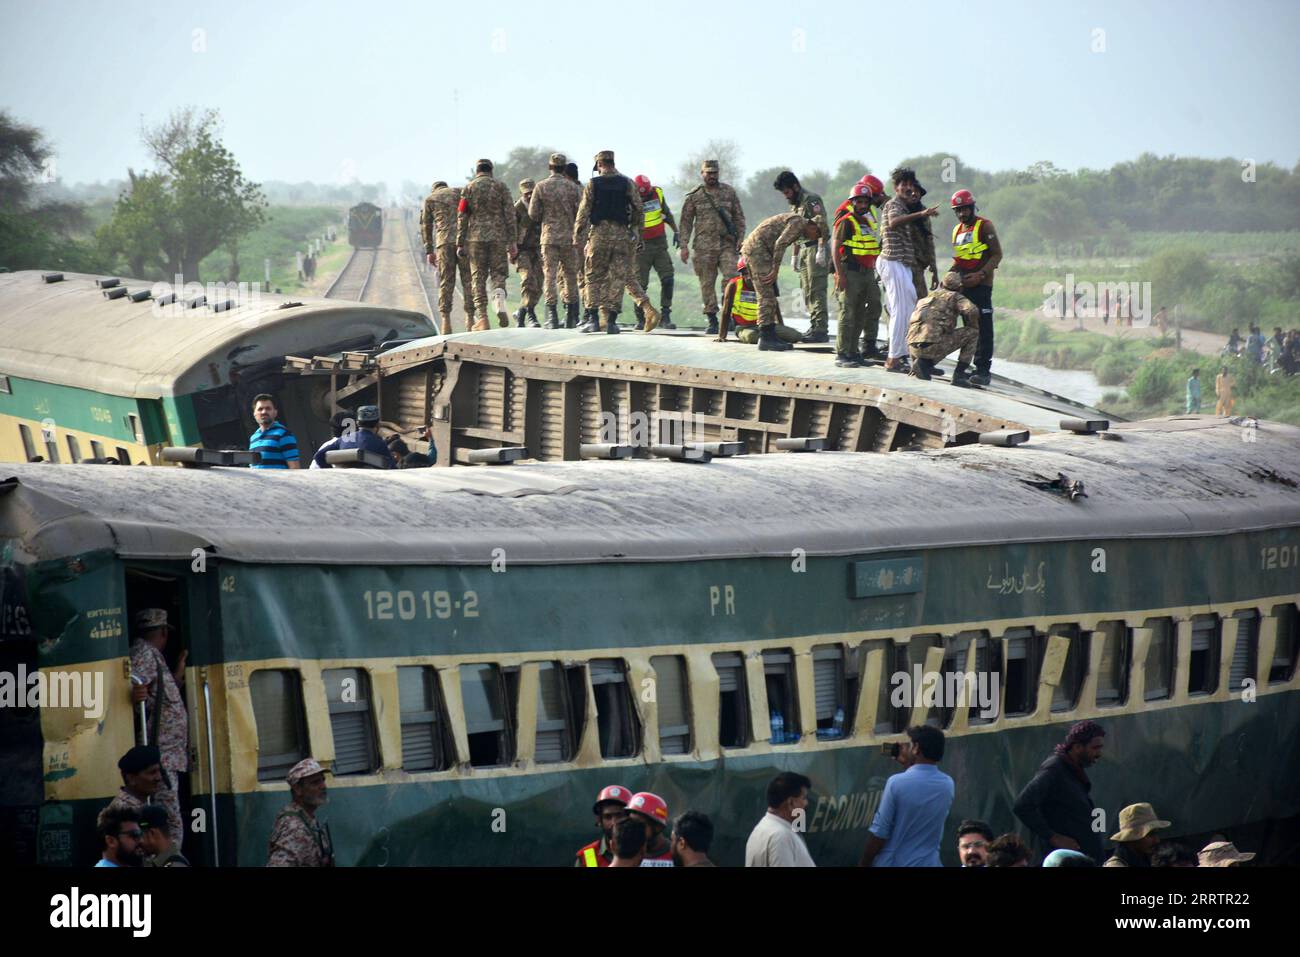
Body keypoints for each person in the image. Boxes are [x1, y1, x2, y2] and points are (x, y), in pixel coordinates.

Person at [128, 610, 186, 846]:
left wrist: (177, 677)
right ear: (163, 632)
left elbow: (154, 695)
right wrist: (133, 695)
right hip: (160, 759)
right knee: (169, 823)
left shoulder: (152, 655)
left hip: (167, 757)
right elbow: (134, 689)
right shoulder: (144, 653)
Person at [859, 725, 955, 867]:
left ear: (916, 748)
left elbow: (880, 833)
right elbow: (921, 785)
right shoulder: (947, 785)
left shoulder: (895, 783)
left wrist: (864, 863)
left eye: (910, 745)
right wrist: (909, 765)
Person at [1012, 719, 1105, 864]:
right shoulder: (1054, 770)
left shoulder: (1073, 771)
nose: (1099, 753)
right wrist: (1053, 837)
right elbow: (1022, 805)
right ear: (1078, 747)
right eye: (1095, 748)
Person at [573, 150, 642, 336]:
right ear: (613, 163)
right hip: (621, 235)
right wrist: (634, 230)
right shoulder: (627, 183)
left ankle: (594, 320)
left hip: (599, 235)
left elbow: (583, 212)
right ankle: (611, 322)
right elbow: (638, 208)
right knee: (618, 278)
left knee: (594, 276)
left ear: (599, 165)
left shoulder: (593, 184)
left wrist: (578, 237)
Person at [878, 169, 939, 372]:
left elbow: (927, 243)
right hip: (893, 261)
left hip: (903, 264)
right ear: (896, 188)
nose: (908, 189)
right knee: (900, 312)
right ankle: (893, 359)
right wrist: (921, 213)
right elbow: (894, 223)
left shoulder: (904, 207)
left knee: (909, 309)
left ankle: (902, 354)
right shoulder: (894, 204)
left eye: (911, 185)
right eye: (903, 185)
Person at [679, 159, 746, 334]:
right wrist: (683, 246)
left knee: (731, 279)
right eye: (708, 173)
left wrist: (741, 239)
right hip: (703, 247)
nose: (712, 176)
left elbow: (739, 217)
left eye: (714, 172)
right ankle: (712, 319)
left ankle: (729, 313)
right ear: (702, 174)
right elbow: (685, 223)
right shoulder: (695, 195)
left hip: (727, 245)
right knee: (706, 283)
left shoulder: (729, 192)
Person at [739, 213, 820, 352]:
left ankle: (770, 335)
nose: (815, 239)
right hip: (758, 250)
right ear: (813, 227)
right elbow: (781, 243)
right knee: (766, 295)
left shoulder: (799, 225)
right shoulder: (799, 223)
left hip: (761, 250)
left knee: (769, 294)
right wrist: (775, 269)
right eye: (817, 235)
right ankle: (765, 338)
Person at [455, 158, 517, 331]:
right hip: (498, 238)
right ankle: (498, 301)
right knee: (498, 273)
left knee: (478, 277)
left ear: (477, 171)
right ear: (491, 170)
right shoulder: (501, 187)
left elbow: (462, 216)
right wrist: (512, 241)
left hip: (475, 239)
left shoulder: (468, 189)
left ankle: (483, 318)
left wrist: (460, 242)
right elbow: (510, 215)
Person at [949, 189, 1003, 386]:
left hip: (982, 285)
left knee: (984, 327)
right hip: (965, 285)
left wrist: (981, 275)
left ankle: (983, 370)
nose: (962, 213)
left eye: (965, 209)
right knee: (970, 327)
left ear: (972, 207)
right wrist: (950, 274)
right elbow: (961, 258)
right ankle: (966, 366)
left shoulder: (984, 226)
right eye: (958, 210)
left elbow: (997, 255)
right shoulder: (956, 230)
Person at [831, 183, 884, 368]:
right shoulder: (846, 221)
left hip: (867, 273)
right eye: (859, 202)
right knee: (848, 312)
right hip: (850, 272)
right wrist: (839, 273)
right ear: (853, 202)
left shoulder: (867, 223)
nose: (862, 205)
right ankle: (842, 353)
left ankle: (854, 352)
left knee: (862, 312)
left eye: (865, 202)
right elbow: (836, 247)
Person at [774, 170, 830, 344]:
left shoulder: (810, 200)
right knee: (806, 290)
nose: (786, 196)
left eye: (787, 192)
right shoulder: (795, 205)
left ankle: (820, 329)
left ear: (796, 186)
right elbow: (796, 230)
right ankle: (814, 325)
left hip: (815, 248)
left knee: (816, 289)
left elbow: (821, 223)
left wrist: (821, 249)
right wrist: (795, 256)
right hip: (804, 249)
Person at [529, 154, 584, 329]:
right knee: (570, 276)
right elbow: (581, 213)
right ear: (564, 168)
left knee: (550, 276)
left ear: (550, 167)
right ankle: (570, 316)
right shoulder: (573, 188)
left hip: (549, 237)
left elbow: (533, 214)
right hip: (569, 238)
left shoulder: (541, 187)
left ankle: (552, 316)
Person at [908, 271, 980, 386]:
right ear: (960, 288)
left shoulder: (929, 296)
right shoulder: (955, 296)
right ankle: (959, 375)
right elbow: (972, 310)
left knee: (928, 333)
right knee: (973, 333)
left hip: (912, 346)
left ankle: (924, 364)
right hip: (932, 346)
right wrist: (972, 324)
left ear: (941, 284)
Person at [424, 179, 474, 335]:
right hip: (464, 241)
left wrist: (429, 251)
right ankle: (470, 319)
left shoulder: (431, 199)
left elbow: (426, 226)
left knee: (446, 281)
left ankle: (446, 322)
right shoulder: (460, 192)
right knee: (468, 280)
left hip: (444, 242)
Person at [717, 257, 801, 345]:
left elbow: (775, 306)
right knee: (752, 337)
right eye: (745, 273)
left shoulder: (765, 284)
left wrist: (781, 327)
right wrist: (722, 336)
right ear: (741, 274)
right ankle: (769, 338)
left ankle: (772, 337)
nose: (749, 276)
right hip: (743, 327)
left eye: (752, 273)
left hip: (765, 326)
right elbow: (726, 311)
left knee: (795, 336)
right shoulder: (733, 285)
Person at [267, 758, 334, 867]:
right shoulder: (293, 827)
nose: (323, 786)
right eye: (315, 782)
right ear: (298, 789)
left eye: (323, 780)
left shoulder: (306, 818)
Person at [633, 174, 678, 329]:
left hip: (659, 244)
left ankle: (665, 315)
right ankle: (641, 318)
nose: (644, 197)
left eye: (646, 194)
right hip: (641, 247)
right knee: (640, 284)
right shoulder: (630, 197)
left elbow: (667, 214)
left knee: (668, 279)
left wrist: (676, 231)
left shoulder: (657, 193)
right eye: (641, 194)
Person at [745, 772, 816, 867]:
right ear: (791, 803)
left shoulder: (761, 829)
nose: (806, 803)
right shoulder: (781, 837)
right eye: (803, 798)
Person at [510, 179, 543, 328]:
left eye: (532, 192)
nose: (530, 196)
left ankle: (521, 311)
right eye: (527, 193)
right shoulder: (517, 209)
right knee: (528, 279)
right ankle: (531, 314)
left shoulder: (541, 206)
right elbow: (510, 229)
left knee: (539, 284)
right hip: (521, 249)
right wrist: (511, 249)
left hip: (537, 249)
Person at [574, 784, 631, 867]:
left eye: (619, 816)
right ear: (599, 821)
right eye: (608, 817)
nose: (614, 822)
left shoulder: (645, 851)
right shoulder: (589, 856)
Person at [1103, 802, 1171, 867]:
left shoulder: (1145, 861)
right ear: (1132, 837)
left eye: (1156, 834)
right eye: (1150, 834)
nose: (1157, 840)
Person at [248, 394, 300, 469]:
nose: (264, 412)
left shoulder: (284, 434)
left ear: (275, 412)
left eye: (268, 408)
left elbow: (295, 468)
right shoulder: (253, 438)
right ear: (254, 414)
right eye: (260, 409)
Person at [625, 791, 674, 866]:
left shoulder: (677, 854)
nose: (632, 828)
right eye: (631, 822)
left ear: (657, 826)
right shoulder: (623, 852)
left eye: (638, 824)